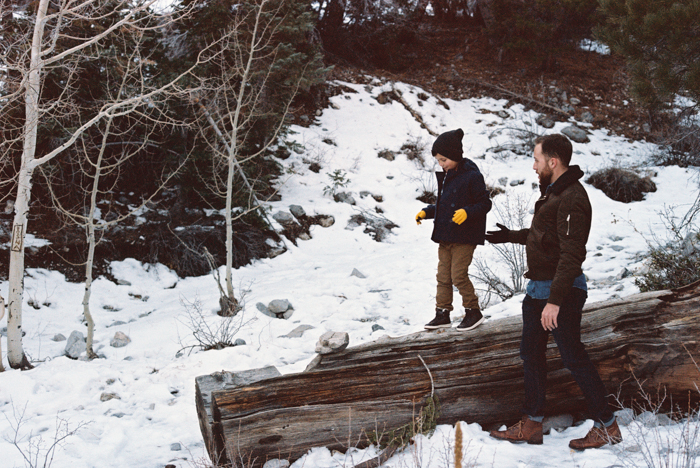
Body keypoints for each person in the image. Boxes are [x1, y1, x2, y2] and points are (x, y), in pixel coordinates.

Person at [487, 134, 621, 450]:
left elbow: (572, 253)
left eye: (536, 159)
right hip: (538, 289)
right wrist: (512, 237)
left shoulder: (573, 197)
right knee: (531, 356)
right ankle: (532, 424)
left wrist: (555, 301)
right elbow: (545, 237)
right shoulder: (554, 193)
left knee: (573, 357)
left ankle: (608, 426)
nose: (533, 166)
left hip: (561, 290)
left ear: (553, 160)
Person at [416, 128, 492, 331]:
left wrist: (468, 212)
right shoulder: (448, 175)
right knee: (443, 276)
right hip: (446, 235)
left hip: (465, 237)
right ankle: (442, 313)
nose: (441, 165)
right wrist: (427, 212)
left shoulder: (472, 176)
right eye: (439, 161)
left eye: (444, 160)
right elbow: (445, 205)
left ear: (456, 155)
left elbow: (485, 204)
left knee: (458, 275)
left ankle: (473, 311)